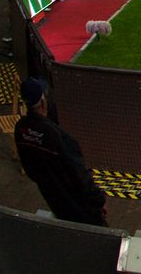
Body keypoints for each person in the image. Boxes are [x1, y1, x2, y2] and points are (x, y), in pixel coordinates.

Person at [14, 78, 107, 226]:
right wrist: (99, 200)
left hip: (53, 198)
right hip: (80, 206)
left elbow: (30, 169)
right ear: (43, 102)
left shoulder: (21, 128)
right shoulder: (57, 136)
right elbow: (80, 175)